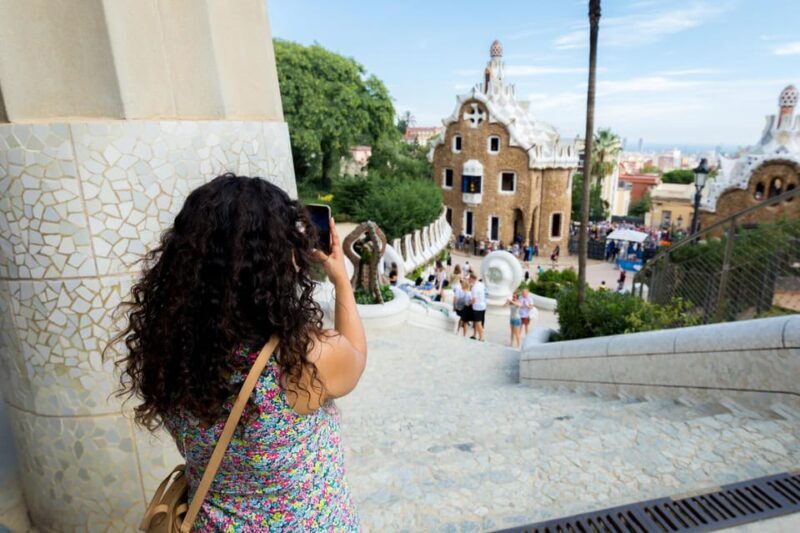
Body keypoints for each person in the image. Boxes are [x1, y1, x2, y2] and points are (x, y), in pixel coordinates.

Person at [112, 174, 364, 530]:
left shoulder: (170, 350)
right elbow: (354, 353)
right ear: (275, 262)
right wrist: (340, 278)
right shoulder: (301, 359)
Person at [469, 273, 487, 341]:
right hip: (483, 305)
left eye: (469, 279)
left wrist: (468, 303)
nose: (468, 280)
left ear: (472, 279)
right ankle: (475, 335)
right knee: (478, 322)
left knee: (478, 322)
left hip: (477, 307)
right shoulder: (481, 284)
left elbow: (474, 300)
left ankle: (481, 337)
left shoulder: (474, 288)